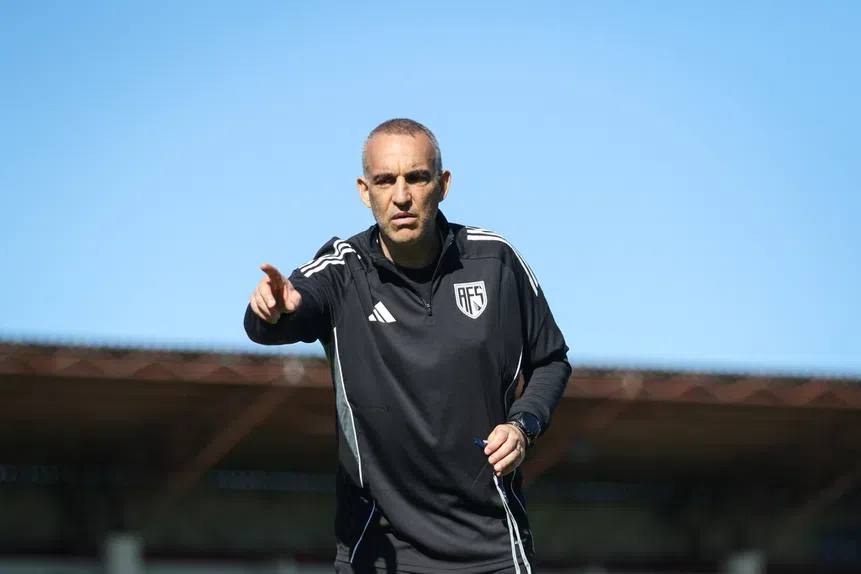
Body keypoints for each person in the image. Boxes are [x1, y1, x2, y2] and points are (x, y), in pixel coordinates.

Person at [244, 118, 571, 573]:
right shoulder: (342, 271)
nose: (401, 196)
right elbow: (277, 319)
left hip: (491, 549)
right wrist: (272, 309)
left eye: (416, 178)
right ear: (364, 190)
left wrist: (522, 427)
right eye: (385, 181)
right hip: (379, 551)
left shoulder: (495, 261)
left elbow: (551, 359)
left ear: (443, 184)